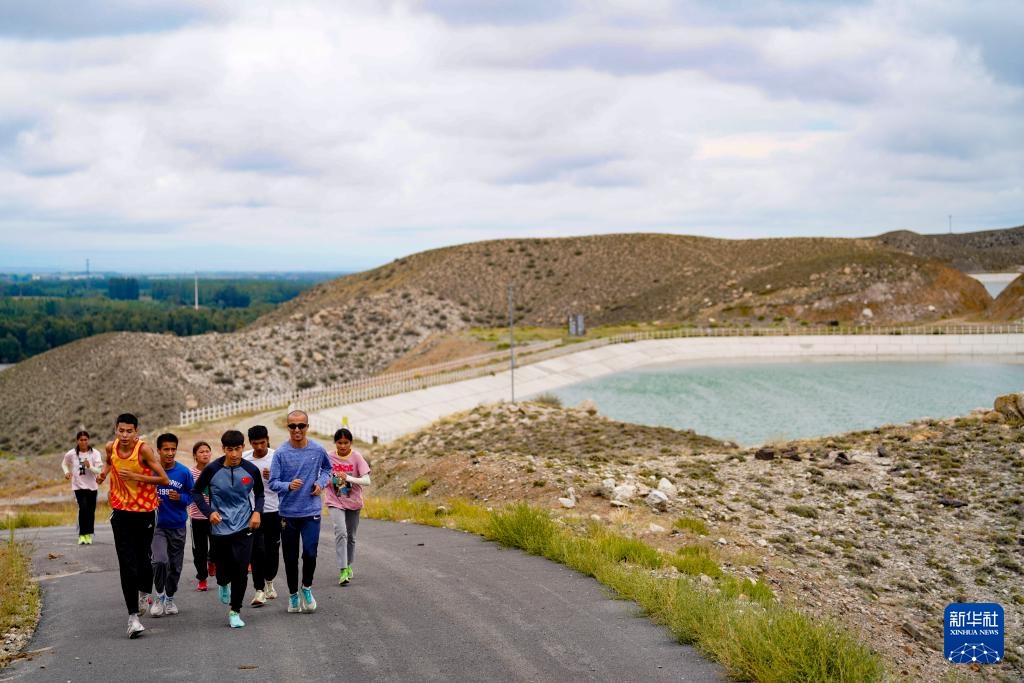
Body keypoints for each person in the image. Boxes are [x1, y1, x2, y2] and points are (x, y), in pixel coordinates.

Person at [96, 413, 170, 639]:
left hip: (145, 511)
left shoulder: (144, 450)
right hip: (120, 511)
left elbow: (163, 479)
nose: (125, 435)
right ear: (116, 430)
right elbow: (110, 462)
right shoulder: (111, 447)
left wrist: (138, 477)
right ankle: (133, 618)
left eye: (129, 431)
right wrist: (103, 474)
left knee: (142, 559)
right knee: (126, 563)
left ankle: (145, 592)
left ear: (136, 431)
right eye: (121, 430)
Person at [192, 430, 264, 628]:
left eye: (238, 449)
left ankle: (235, 611)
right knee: (223, 570)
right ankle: (223, 583)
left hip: (244, 525)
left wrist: (257, 512)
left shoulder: (251, 470)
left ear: (243, 448)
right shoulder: (212, 470)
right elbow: (196, 493)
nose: (234, 454)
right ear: (223, 449)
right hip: (219, 527)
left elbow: (260, 494)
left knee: (241, 569)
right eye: (230, 449)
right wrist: (209, 513)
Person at [269, 410, 331, 614]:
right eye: (292, 426)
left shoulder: (317, 449)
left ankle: (307, 588)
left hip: (311, 511)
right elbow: (273, 482)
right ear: (288, 427)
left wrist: (320, 483)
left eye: (301, 426)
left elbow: (327, 470)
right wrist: (288, 486)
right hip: (288, 513)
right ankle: (293, 595)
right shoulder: (280, 453)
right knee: (290, 557)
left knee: (310, 553)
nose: (297, 430)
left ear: (307, 427)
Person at [150, 433, 193, 618]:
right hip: (157, 526)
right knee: (160, 561)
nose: (170, 453)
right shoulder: (151, 471)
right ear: (158, 450)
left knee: (175, 566)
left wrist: (181, 497)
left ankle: (170, 597)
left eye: (173, 449)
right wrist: (151, 498)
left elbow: (193, 495)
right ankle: (159, 596)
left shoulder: (183, 472)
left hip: (177, 525)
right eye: (166, 449)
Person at [324, 428, 371, 586]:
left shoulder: (356, 457)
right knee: (341, 532)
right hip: (335, 499)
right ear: (335, 443)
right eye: (339, 443)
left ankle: (349, 564)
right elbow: (322, 474)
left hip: (353, 501)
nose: (342, 446)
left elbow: (367, 481)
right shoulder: (328, 457)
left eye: (346, 443)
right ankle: (343, 569)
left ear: (351, 443)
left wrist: (348, 477)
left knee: (351, 536)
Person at [243, 425, 280, 606]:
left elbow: (288, 482)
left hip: (274, 510)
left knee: (272, 551)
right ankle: (259, 591)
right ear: (250, 443)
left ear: (268, 440)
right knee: (256, 551)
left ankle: (269, 582)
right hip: (252, 512)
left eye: (262, 443)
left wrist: (274, 477)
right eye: (255, 443)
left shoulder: (277, 457)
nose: (259, 447)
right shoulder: (245, 459)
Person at [61, 430, 103, 545]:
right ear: (77, 441)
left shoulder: (95, 453)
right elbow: (64, 463)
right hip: (78, 486)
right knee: (83, 509)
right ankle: (82, 535)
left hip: (92, 486)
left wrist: (90, 467)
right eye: (81, 440)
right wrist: (66, 472)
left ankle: (89, 534)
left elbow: (99, 470)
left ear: (88, 440)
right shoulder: (71, 454)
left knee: (90, 511)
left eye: (85, 440)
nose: (83, 442)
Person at [187, 441, 215, 591]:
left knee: (217, 546)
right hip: (197, 517)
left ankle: (212, 561)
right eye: (201, 452)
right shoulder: (190, 473)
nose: (205, 454)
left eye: (207, 451)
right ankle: (202, 578)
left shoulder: (216, 470)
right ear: (195, 456)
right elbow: (187, 492)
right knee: (199, 551)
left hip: (215, 517)